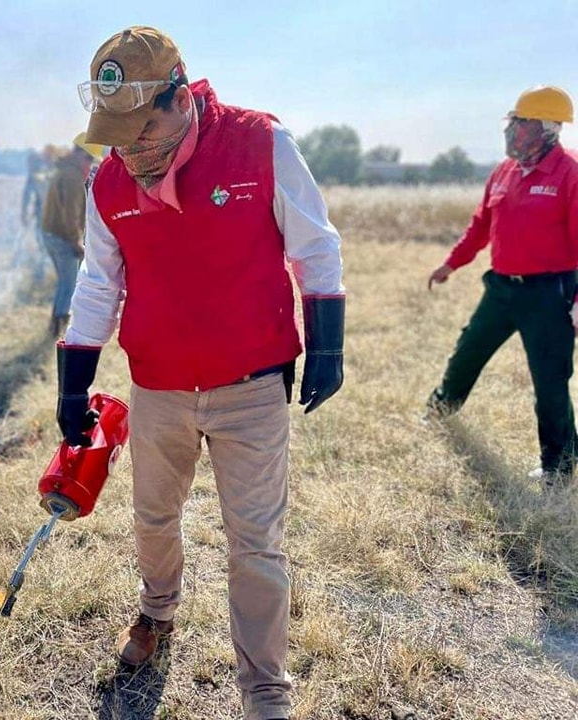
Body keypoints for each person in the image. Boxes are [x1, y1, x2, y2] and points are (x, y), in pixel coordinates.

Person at [54, 26, 344, 720]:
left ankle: (265, 692)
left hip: (250, 388)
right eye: (114, 133)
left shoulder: (262, 144)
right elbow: (99, 283)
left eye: (139, 128)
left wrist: (327, 346)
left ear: (181, 95)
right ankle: (157, 614)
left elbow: (316, 248)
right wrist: (73, 382)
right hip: (157, 389)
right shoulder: (109, 181)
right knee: (154, 518)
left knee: (255, 547)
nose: (128, 148)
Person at [427, 85, 578, 487]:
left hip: (550, 294)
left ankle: (558, 466)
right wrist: (451, 263)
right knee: (468, 350)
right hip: (501, 289)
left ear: (547, 128)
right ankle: (439, 411)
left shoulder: (570, 173)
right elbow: (480, 227)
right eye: (511, 121)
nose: (511, 129)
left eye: (521, 122)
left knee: (549, 378)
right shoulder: (504, 171)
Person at [41, 134, 103, 338]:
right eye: (88, 159)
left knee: (63, 283)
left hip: (51, 234)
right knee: (69, 285)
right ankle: (58, 330)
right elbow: (70, 213)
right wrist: (76, 242)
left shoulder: (64, 170)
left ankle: (54, 326)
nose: (89, 165)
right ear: (79, 155)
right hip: (61, 237)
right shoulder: (72, 177)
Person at [20, 150, 53, 282]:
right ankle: (44, 274)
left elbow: (27, 197)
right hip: (52, 216)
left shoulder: (34, 176)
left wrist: (24, 214)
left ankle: (41, 274)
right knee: (47, 245)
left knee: (43, 245)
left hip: (45, 217)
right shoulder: (50, 173)